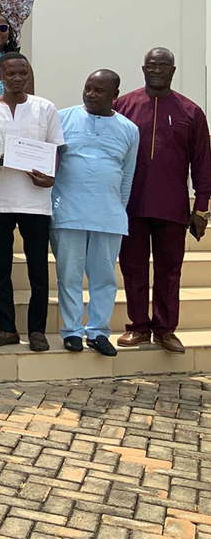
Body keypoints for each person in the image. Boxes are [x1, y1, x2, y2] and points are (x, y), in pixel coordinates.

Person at [113, 48, 211, 354]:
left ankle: (166, 329)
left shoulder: (191, 112)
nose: (157, 71)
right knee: (134, 267)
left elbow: (203, 164)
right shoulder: (123, 105)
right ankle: (139, 327)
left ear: (173, 70)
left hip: (172, 207)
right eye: (152, 66)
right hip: (131, 205)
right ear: (143, 69)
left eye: (163, 66)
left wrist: (201, 209)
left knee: (170, 270)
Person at [0, 53, 63, 352]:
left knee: (38, 268)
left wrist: (51, 177)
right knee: (0, 268)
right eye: (10, 73)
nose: (17, 78)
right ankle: (6, 329)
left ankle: (37, 331)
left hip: (36, 201)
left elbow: (56, 148)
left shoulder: (45, 108)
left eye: (22, 73)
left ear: (28, 74)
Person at [53, 70, 140, 355]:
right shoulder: (63, 118)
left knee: (104, 276)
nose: (90, 94)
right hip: (68, 210)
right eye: (87, 88)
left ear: (114, 95)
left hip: (109, 214)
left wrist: (118, 208)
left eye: (98, 90)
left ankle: (99, 331)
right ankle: (72, 331)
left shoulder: (129, 129)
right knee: (69, 274)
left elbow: (127, 175)